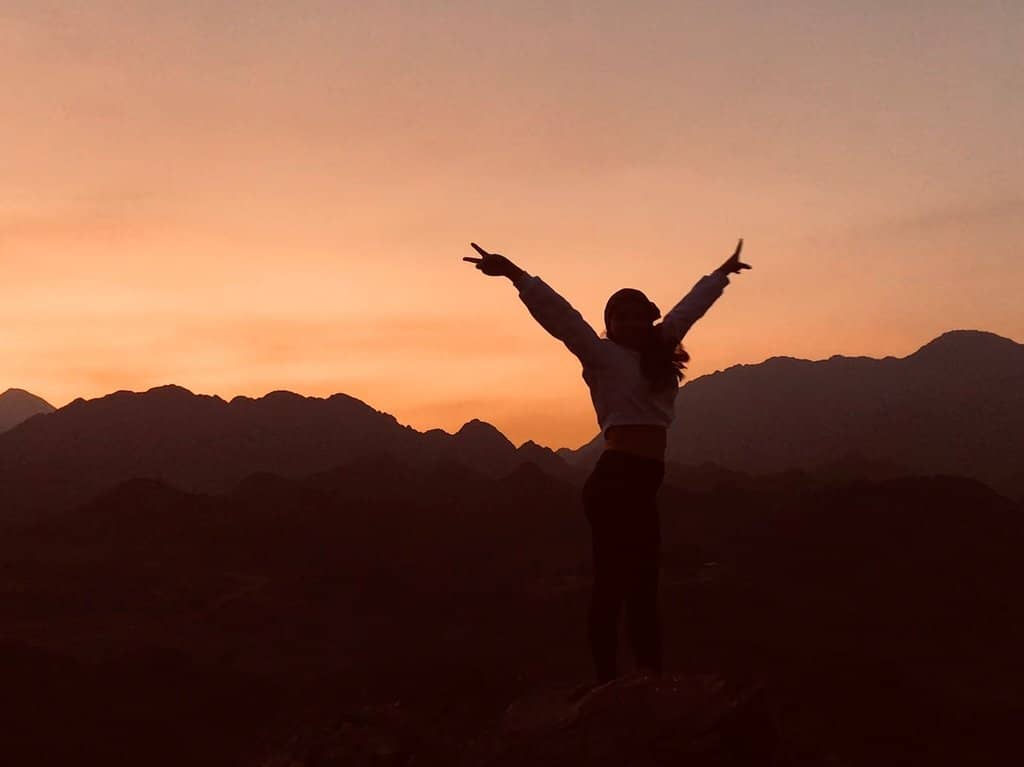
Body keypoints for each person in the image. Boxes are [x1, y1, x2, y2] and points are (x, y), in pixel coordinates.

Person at [462, 239, 751, 685]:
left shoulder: (658, 351)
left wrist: (721, 275)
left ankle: (646, 679)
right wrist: (516, 275)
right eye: (622, 317)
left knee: (643, 583)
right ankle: (611, 684)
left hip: (641, 484)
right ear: (609, 325)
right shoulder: (600, 356)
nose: (633, 323)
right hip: (616, 483)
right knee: (615, 584)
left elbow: (687, 311)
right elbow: (563, 318)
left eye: (640, 316)